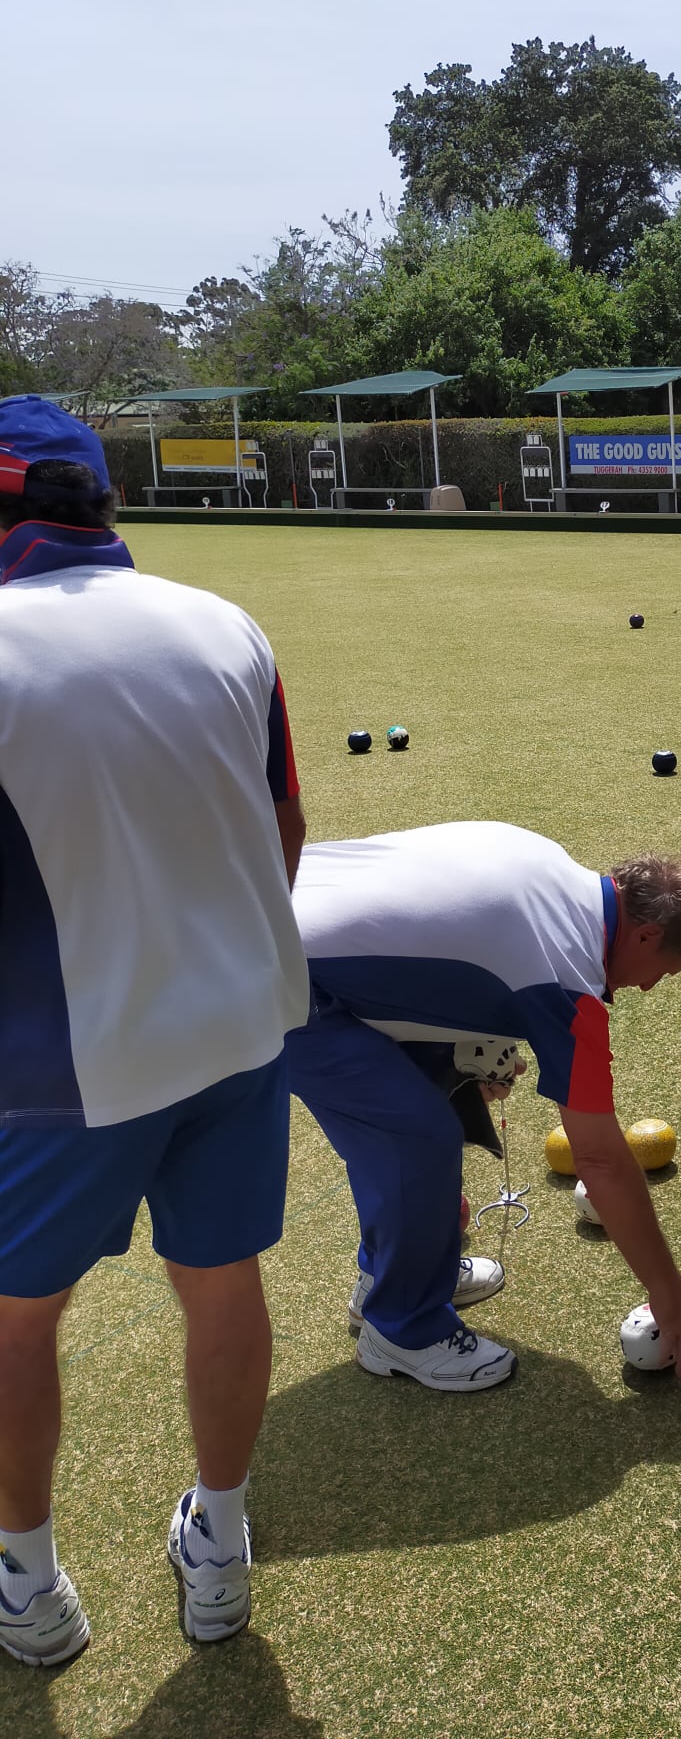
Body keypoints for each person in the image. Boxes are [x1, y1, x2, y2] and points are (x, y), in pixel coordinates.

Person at [0, 395, 309, 1663]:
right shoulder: (229, 622)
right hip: (241, 1027)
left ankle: (27, 1585)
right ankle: (220, 1551)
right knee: (222, 1283)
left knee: (17, 1318)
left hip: (63, 1060)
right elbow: (286, 831)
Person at [286, 825, 681, 1386]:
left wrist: (466, 1037)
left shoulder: (546, 859)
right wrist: (670, 1293)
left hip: (260, 911)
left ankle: (393, 1278)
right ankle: (402, 1330)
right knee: (418, 1136)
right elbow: (600, 1161)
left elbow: (437, 931)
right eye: (664, 970)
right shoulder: (568, 979)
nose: (651, 986)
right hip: (263, 973)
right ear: (646, 935)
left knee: (415, 1105)